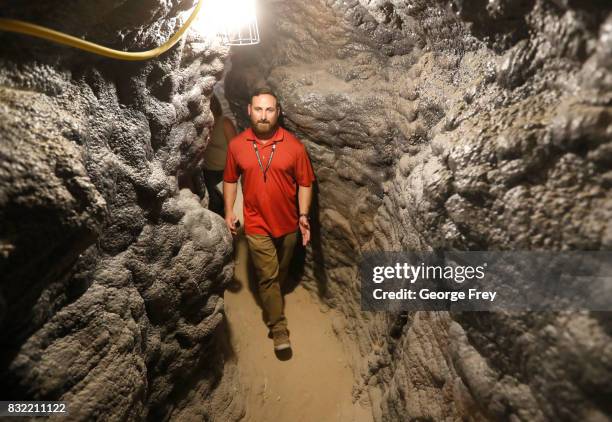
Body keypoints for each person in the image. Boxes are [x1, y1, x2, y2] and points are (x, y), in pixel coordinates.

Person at [223, 87, 315, 352]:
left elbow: (305, 183)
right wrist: (229, 211)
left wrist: (304, 215)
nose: (264, 116)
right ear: (249, 110)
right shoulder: (237, 146)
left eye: (270, 110)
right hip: (256, 225)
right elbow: (230, 179)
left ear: (278, 113)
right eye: (259, 109)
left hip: (288, 225)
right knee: (267, 276)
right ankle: (279, 328)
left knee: (278, 273)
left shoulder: (294, 148)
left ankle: (272, 294)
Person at [203, 94, 237, 217]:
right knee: (215, 205)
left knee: (229, 205)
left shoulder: (224, 123)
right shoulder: (203, 126)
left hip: (224, 171)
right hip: (208, 172)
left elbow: (236, 149)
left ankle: (233, 230)